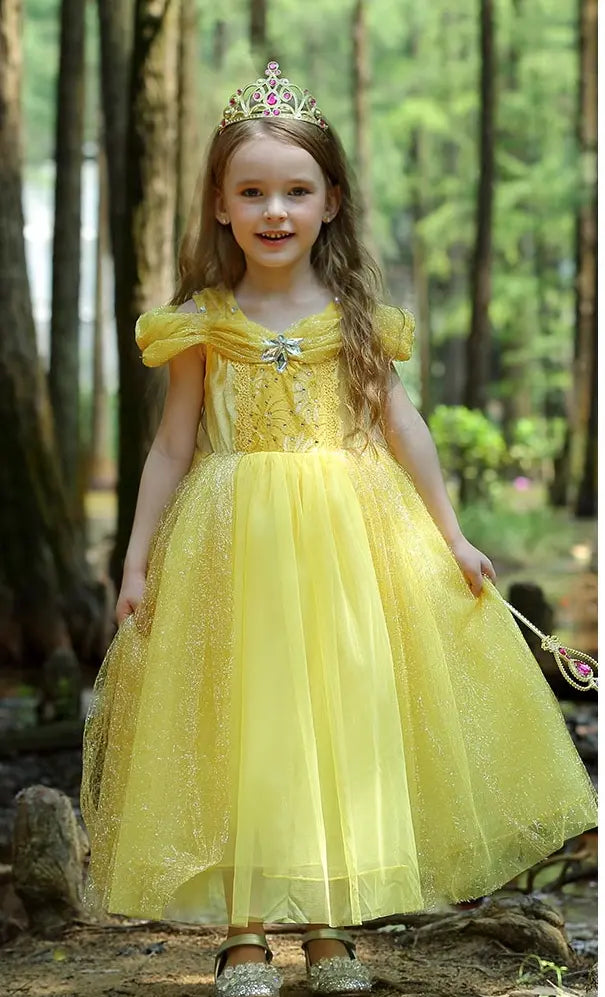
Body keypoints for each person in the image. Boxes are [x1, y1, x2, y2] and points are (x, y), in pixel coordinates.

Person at [80, 62, 598, 997]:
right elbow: (170, 446)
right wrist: (137, 559)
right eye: (251, 192)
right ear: (219, 205)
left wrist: (452, 535)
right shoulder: (201, 323)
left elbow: (404, 428)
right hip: (231, 547)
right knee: (244, 723)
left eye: (295, 190)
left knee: (339, 718)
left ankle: (329, 926)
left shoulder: (356, 318)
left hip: (347, 546)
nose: (274, 210)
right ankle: (244, 935)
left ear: (331, 202)